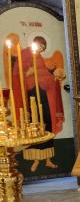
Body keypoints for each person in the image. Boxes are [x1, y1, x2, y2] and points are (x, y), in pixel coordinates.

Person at [12, 36, 65, 172]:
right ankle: (35, 159)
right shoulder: (25, 54)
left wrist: (55, 77)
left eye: (43, 47)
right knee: (34, 125)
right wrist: (28, 72)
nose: (41, 49)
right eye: (40, 45)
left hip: (43, 94)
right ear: (35, 43)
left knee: (47, 123)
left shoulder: (39, 58)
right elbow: (17, 73)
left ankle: (48, 160)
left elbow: (45, 75)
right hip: (31, 93)